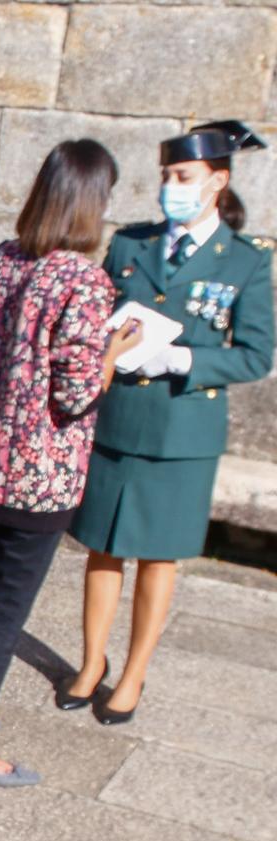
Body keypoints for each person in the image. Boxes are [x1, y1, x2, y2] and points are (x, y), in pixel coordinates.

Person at [0, 141, 143, 785]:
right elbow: (74, 393)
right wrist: (114, 350)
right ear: (94, 202)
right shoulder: (83, 282)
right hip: (39, 477)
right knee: (1, 609)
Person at [67, 121, 273, 726]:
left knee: (159, 558)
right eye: (164, 177)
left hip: (184, 430)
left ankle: (133, 674)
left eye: (182, 177)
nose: (170, 188)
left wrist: (180, 358)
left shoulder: (245, 261)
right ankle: (90, 662)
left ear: (218, 180)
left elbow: (257, 354)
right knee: (101, 548)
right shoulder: (132, 245)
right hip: (120, 417)